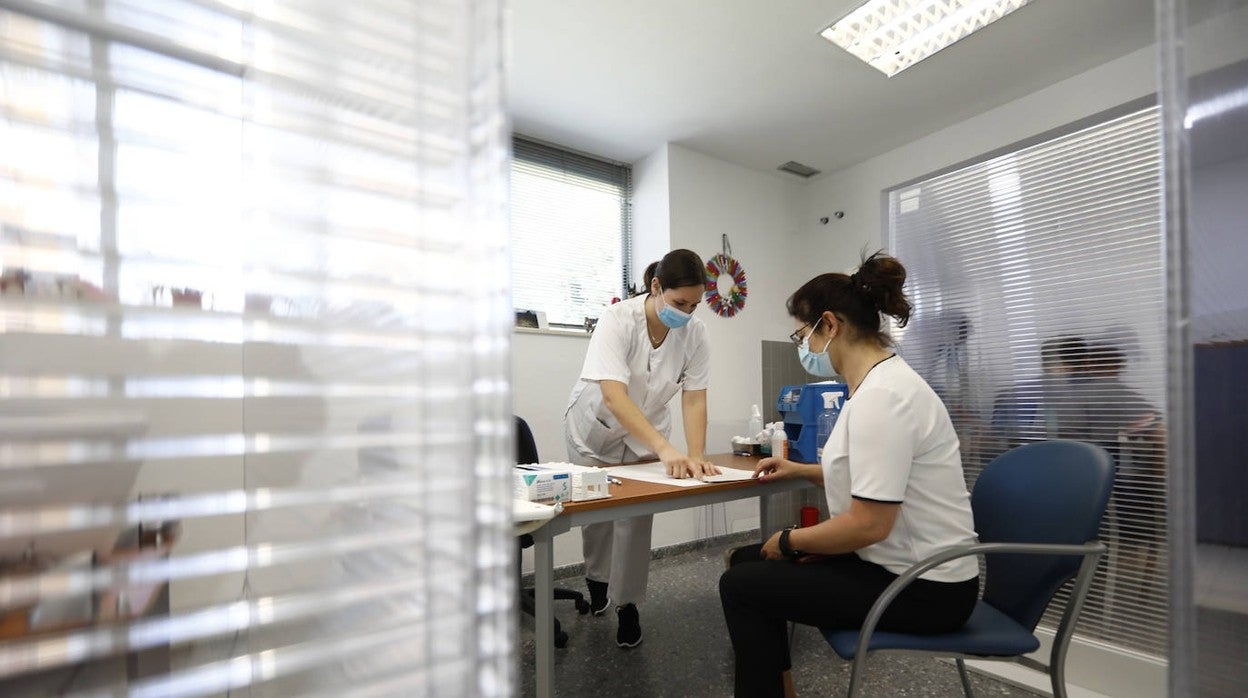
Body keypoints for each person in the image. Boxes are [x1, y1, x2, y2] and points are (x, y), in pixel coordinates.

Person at [718, 252, 979, 698]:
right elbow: (873, 477)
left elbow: (870, 523)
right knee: (746, 563)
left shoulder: (885, 397)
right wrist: (800, 470)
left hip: (926, 587)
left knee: (742, 584)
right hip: (899, 563)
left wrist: (788, 540)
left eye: (802, 334)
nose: (802, 346)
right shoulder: (876, 385)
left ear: (830, 325)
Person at [564, 248, 720, 648]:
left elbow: (695, 397)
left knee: (636, 518)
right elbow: (615, 396)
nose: (686, 312)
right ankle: (597, 579)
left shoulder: (695, 333)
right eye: (679, 302)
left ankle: (627, 603)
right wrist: (667, 450)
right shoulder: (618, 319)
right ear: (655, 287)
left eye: (694, 304)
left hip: (646, 431)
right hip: (594, 426)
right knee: (597, 513)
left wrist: (696, 454)